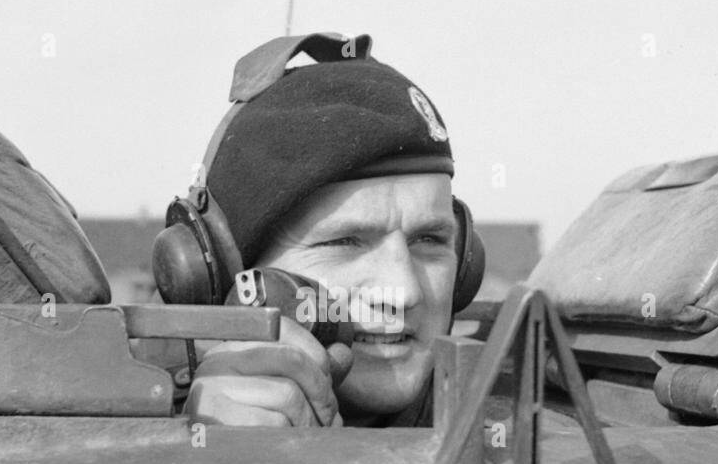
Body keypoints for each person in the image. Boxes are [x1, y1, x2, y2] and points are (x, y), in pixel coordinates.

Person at [152, 33, 483, 428]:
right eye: (344, 242)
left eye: (429, 240)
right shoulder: (123, 430)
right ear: (228, 274)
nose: (404, 292)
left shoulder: (528, 436)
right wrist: (208, 460)